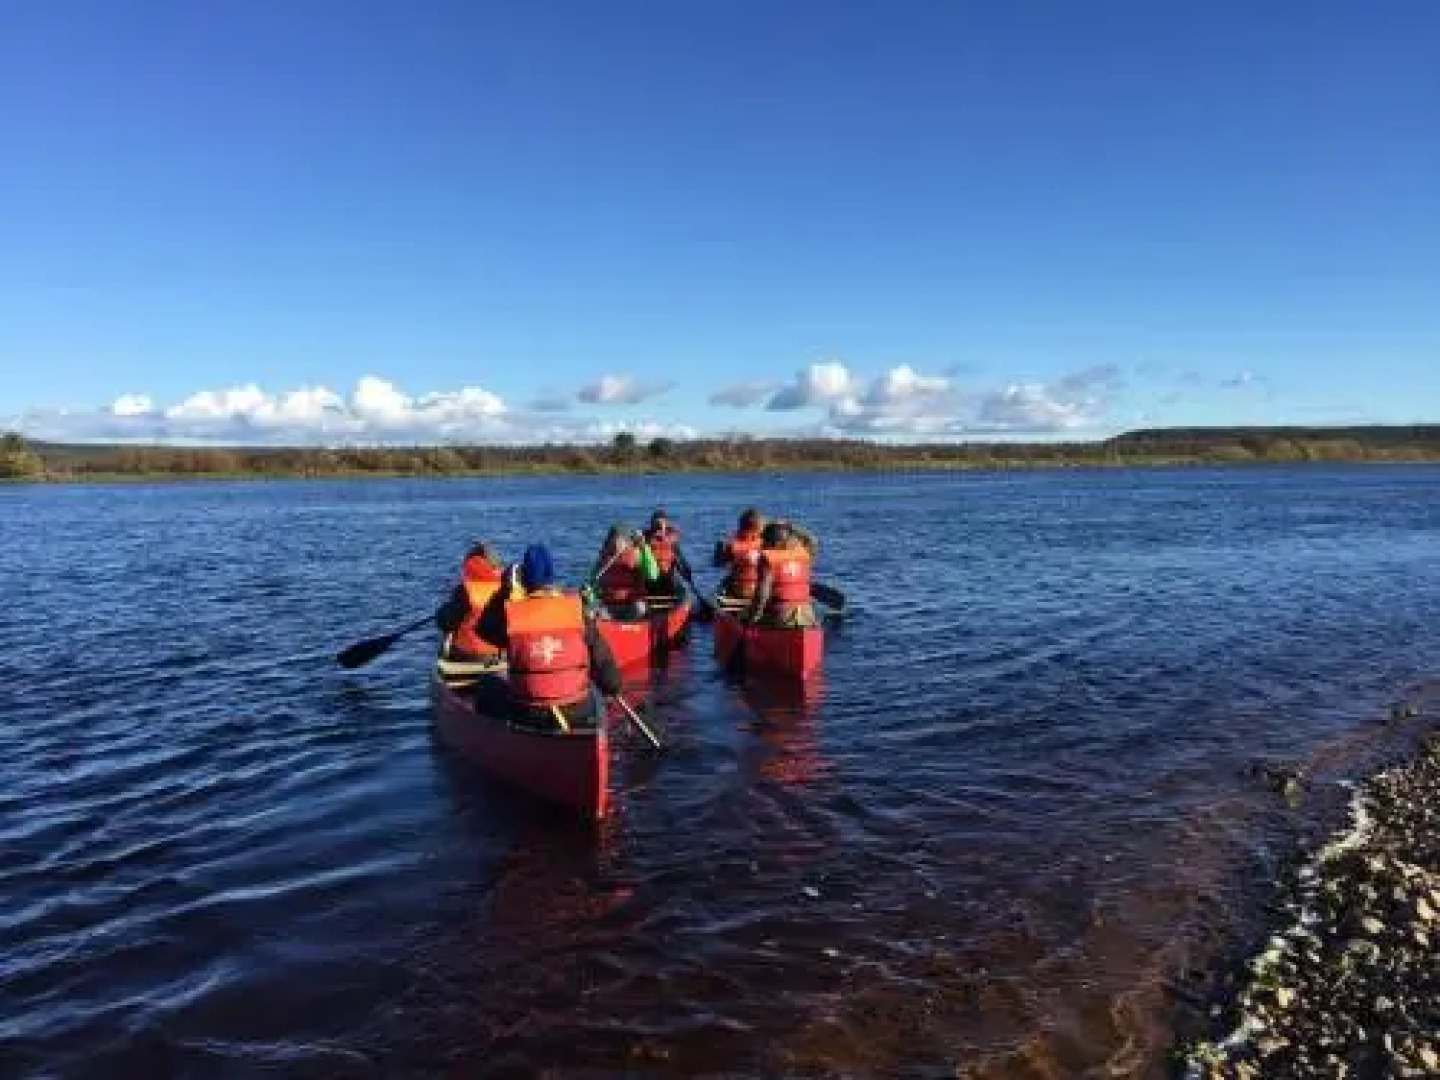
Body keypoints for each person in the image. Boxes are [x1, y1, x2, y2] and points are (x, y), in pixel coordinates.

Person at [472, 543, 623, 730]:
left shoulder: (513, 615)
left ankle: (504, 741)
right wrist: (610, 687)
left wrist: (502, 592)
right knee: (592, 686)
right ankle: (588, 737)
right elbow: (610, 679)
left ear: (525, 581)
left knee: (486, 683)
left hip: (527, 713)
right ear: (552, 577)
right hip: (576, 712)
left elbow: (483, 629)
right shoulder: (576, 611)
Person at [434, 541, 506, 662]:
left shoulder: (465, 590)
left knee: (448, 633)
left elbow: (447, 623)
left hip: (470, 654)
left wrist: (441, 612)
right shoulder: (508, 588)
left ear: (470, 564)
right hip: (502, 654)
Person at [744, 520, 820, 628]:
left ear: (772, 542)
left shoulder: (767, 559)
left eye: (764, 540)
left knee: (743, 615)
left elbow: (762, 596)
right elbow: (812, 540)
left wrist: (751, 618)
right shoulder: (805, 552)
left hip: (780, 617)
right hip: (807, 617)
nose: (762, 544)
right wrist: (791, 527)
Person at [590, 524, 658, 619]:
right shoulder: (603, 558)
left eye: (620, 539)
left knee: (640, 608)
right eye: (613, 539)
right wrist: (589, 596)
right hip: (609, 606)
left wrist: (644, 548)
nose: (616, 543)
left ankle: (631, 629)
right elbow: (593, 584)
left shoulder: (637, 554)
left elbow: (653, 575)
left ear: (627, 541)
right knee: (594, 613)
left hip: (632, 605)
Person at [713, 507, 765, 601]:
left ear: (741, 525)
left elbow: (718, 564)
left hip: (739, 591)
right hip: (761, 592)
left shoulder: (731, 545)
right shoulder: (767, 544)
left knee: (724, 583)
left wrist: (718, 550)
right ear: (759, 527)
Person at [642, 508, 687, 601]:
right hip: (651, 578)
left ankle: (679, 605)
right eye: (656, 524)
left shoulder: (672, 539)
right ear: (652, 525)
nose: (658, 527)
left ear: (666, 524)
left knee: (679, 588)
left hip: (668, 576)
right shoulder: (645, 538)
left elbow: (679, 557)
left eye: (661, 524)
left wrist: (685, 569)